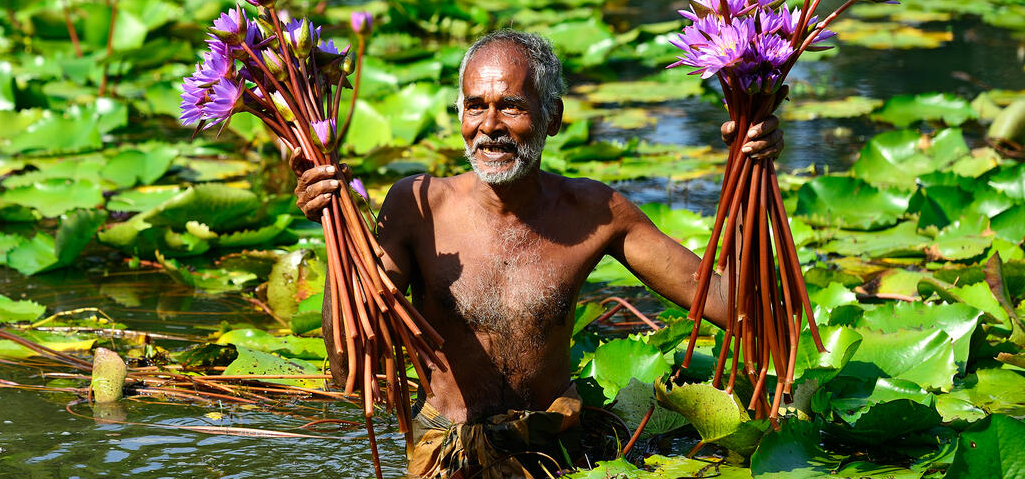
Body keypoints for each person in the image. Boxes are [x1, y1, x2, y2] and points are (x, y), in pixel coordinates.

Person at [292, 29, 782, 478]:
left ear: (553, 116)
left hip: (557, 451)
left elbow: (731, 306)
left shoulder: (597, 211)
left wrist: (747, 173)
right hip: (445, 455)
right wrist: (331, 229)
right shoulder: (417, 206)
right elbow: (347, 367)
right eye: (473, 107)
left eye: (510, 107)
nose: (489, 127)